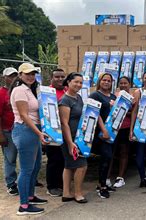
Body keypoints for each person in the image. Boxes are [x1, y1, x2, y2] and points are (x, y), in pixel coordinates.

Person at [10, 63, 49, 215]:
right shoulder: (19, 90)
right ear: (20, 75)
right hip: (26, 130)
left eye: (33, 73)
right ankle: (24, 206)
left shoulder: (31, 89)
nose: (31, 76)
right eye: (27, 74)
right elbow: (24, 116)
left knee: (36, 166)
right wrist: (39, 134)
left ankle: (30, 196)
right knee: (26, 169)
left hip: (34, 131)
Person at [59, 72, 88, 204]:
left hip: (78, 138)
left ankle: (66, 193)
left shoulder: (78, 98)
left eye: (81, 82)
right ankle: (78, 193)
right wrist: (70, 143)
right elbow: (64, 123)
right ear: (69, 82)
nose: (78, 84)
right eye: (76, 81)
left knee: (69, 166)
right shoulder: (65, 100)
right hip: (70, 139)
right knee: (81, 166)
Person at [0, 67, 19, 196]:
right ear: (4, 78)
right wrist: (1, 135)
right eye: (11, 76)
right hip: (8, 131)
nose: (13, 79)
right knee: (10, 158)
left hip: (21, 129)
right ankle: (11, 183)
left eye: (15, 76)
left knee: (24, 157)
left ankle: (29, 180)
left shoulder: (19, 92)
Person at [89, 73, 117, 199]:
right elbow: (95, 113)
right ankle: (101, 187)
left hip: (111, 132)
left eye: (109, 81)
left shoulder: (113, 96)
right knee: (106, 157)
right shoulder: (95, 95)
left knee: (108, 159)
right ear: (99, 81)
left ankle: (104, 182)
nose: (106, 82)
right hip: (100, 133)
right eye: (104, 80)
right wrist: (103, 130)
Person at [45, 68, 67, 197]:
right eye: (57, 77)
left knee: (63, 159)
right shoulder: (47, 92)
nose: (60, 79)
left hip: (65, 131)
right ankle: (52, 186)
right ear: (52, 78)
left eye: (62, 77)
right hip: (52, 131)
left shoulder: (66, 91)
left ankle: (61, 184)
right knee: (53, 159)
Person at [110, 76, 133, 188]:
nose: (123, 85)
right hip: (113, 128)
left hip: (126, 128)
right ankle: (107, 177)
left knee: (124, 152)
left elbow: (135, 113)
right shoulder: (114, 96)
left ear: (130, 84)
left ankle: (120, 177)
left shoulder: (133, 97)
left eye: (125, 83)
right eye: (121, 83)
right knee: (112, 152)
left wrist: (123, 112)